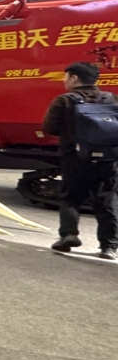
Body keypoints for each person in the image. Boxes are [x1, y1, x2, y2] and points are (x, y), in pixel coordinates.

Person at [44, 62, 118, 259]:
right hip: (108, 159)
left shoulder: (65, 101)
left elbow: (50, 128)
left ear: (74, 78)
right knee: (106, 201)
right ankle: (109, 247)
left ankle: (68, 235)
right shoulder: (111, 98)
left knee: (71, 198)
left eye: (66, 77)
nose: (64, 81)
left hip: (75, 158)